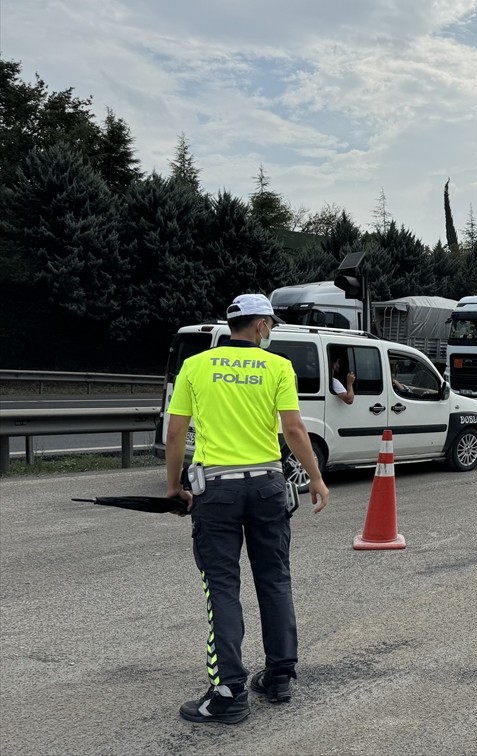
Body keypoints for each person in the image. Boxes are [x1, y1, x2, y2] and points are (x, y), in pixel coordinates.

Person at [165, 293, 330, 725]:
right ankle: (278, 677)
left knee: (221, 587)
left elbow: (176, 432)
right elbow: (294, 428)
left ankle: (228, 692)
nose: (270, 332)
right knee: (275, 580)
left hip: (215, 490)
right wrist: (315, 477)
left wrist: (173, 487)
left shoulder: (196, 366)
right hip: (267, 487)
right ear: (258, 326)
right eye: (270, 325)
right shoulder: (278, 367)